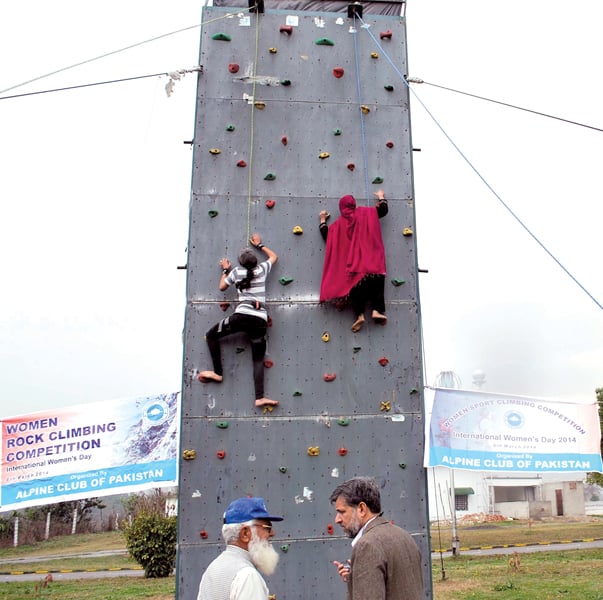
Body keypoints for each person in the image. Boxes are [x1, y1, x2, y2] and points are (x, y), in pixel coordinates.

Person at [198, 233, 279, 408]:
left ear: (241, 263)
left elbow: (221, 287)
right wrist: (259, 245)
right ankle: (259, 397)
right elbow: (274, 257)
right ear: (255, 262)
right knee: (257, 359)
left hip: (241, 316)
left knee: (211, 335)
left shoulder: (236, 272)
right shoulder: (262, 269)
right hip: (260, 320)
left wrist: (226, 270)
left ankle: (218, 373)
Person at [330, 477, 423, 600]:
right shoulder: (404, 536)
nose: (337, 520)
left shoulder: (367, 545)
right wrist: (356, 578)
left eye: (342, 512)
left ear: (362, 509)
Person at [319, 190, 388, 333]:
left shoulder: (338, 225)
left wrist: (322, 220)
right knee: (378, 281)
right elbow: (383, 210)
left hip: (353, 268)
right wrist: (381, 197)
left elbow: (327, 236)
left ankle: (359, 314)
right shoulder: (365, 213)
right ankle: (377, 310)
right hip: (371, 262)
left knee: (354, 288)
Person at [197, 497, 283, 600]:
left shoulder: (211, 569)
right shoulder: (247, 575)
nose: (272, 533)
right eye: (267, 528)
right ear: (245, 533)